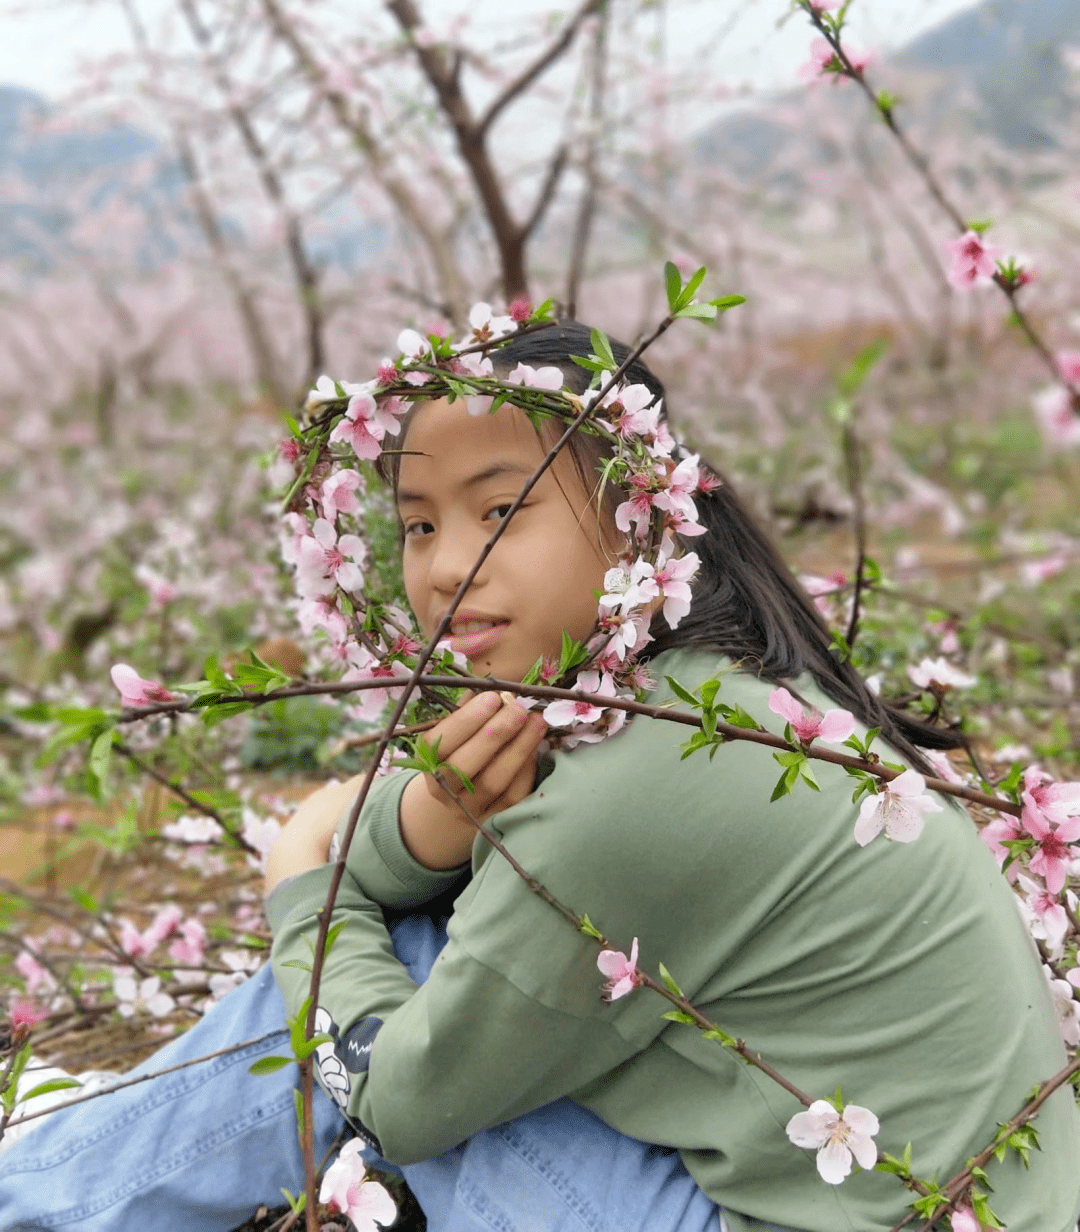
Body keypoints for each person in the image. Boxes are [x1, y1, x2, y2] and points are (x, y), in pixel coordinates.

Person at [2, 322, 1077, 1232]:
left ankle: (51, 1184)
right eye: (418, 522)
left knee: (404, 991)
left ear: (639, 519)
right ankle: (63, 1175)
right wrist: (435, 818)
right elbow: (396, 849)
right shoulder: (709, 697)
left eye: (499, 510)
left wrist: (299, 897)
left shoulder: (642, 783)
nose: (441, 566)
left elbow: (397, 1100)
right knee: (421, 950)